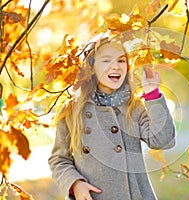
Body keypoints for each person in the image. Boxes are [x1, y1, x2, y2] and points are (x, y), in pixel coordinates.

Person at [48, 34, 176, 200]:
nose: (115, 66)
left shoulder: (133, 107)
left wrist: (152, 93)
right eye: (107, 60)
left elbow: (163, 140)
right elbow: (59, 159)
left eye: (121, 61)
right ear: (91, 67)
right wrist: (75, 184)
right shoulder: (72, 110)